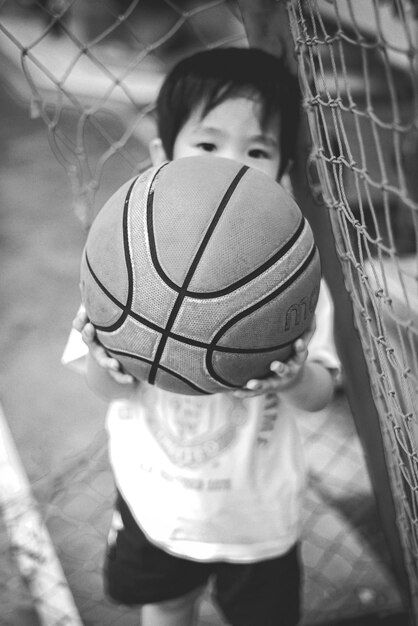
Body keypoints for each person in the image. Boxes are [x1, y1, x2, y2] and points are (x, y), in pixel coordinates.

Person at [63, 47, 340, 626]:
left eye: (257, 150)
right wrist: (107, 364)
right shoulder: (126, 256)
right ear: (162, 156)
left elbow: (319, 397)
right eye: (208, 145)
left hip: (257, 522)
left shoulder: (290, 278)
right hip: (155, 505)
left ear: (284, 169)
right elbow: (110, 391)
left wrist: (292, 378)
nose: (232, 165)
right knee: (166, 607)